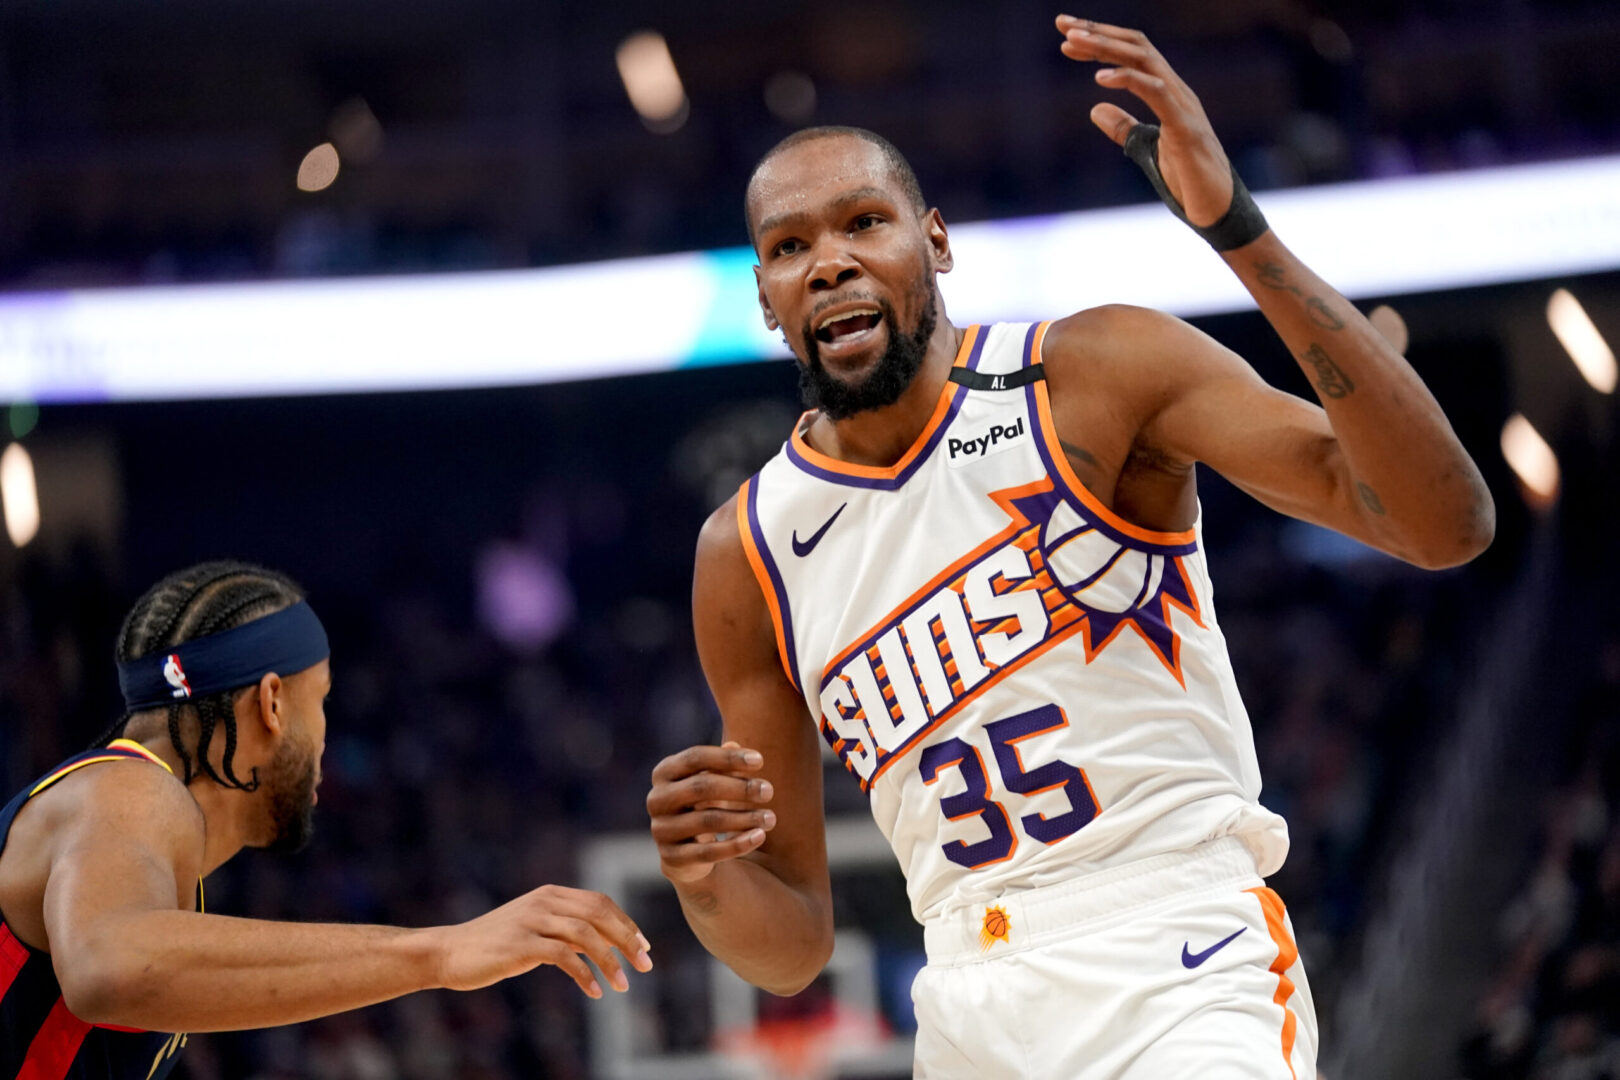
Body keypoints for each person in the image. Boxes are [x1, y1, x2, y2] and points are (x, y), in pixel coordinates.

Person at [646, 14, 1494, 1078]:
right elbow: (792, 945)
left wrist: (1239, 232)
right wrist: (707, 878)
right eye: (790, 247)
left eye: (865, 222)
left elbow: (1442, 523)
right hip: (964, 997)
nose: (829, 263)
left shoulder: (1093, 372)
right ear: (767, 297)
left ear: (936, 242)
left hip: (1176, 951)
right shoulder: (746, 551)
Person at [0, 560, 651, 1078]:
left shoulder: (148, 865)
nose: (325, 743)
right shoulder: (129, 786)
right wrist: (442, 949)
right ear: (273, 703)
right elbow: (107, 969)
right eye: (324, 703)